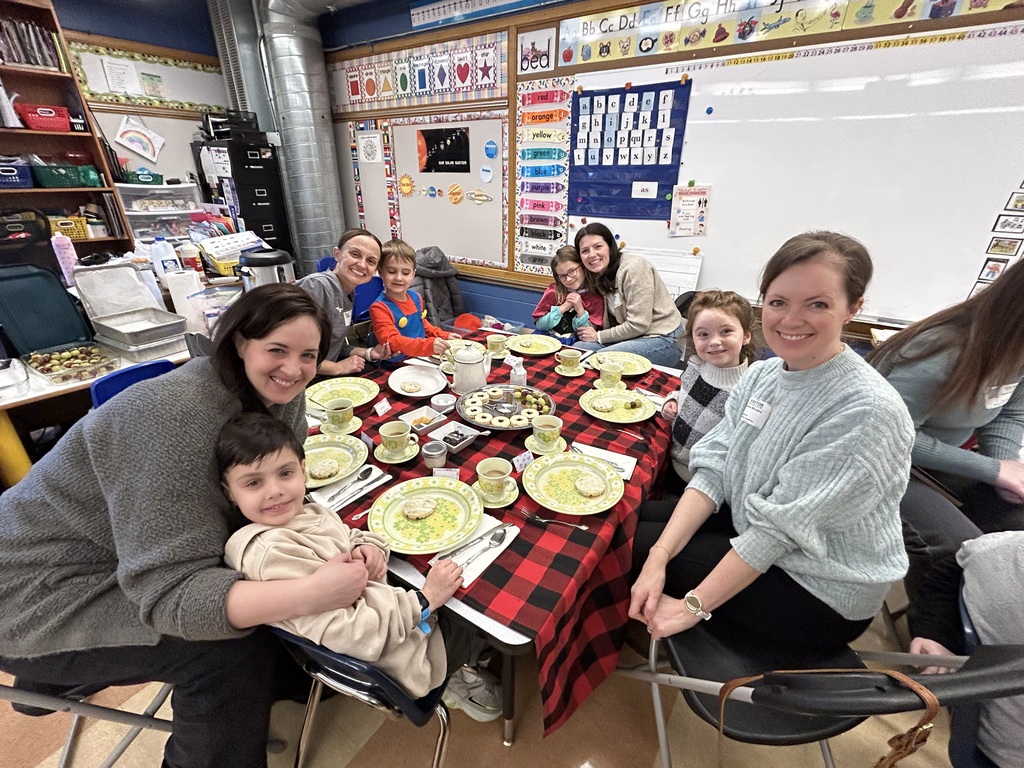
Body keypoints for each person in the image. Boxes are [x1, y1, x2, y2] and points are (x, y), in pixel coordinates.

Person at [0, 284, 360, 768]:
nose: (293, 369)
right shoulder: (169, 418)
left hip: (121, 552)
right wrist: (310, 595)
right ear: (238, 343)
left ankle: (286, 679)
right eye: (276, 350)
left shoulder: (279, 396)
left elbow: (266, 516)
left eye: (308, 355)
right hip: (31, 594)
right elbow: (172, 595)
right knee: (229, 651)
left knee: (263, 574)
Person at [630, 231, 915, 650]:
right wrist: (659, 557)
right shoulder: (764, 375)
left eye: (817, 304)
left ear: (853, 309)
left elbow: (777, 532)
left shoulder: (865, 410)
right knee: (627, 525)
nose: (790, 320)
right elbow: (715, 466)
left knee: (624, 547)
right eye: (779, 302)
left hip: (818, 586)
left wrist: (692, 606)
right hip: (758, 523)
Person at [219, 412, 501, 714]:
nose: (274, 490)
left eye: (285, 474)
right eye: (253, 482)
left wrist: (368, 546)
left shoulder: (304, 512)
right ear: (229, 493)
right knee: (486, 602)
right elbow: (357, 636)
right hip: (402, 661)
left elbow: (346, 535)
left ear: (303, 470)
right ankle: (457, 675)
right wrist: (426, 599)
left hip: (394, 616)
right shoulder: (272, 556)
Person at [868, 256, 1024, 645]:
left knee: (1013, 528)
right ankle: (932, 631)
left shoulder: (1016, 348)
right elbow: (891, 437)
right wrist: (991, 471)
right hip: (874, 460)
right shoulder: (942, 348)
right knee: (958, 546)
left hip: (927, 460)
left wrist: (1004, 468)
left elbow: (1006, 414)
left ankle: (976, 625)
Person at [909, 531, 1024, 768]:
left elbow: (955, 565)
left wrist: (936, 633)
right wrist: (936, 632)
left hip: (978, 731)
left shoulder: (1003, 551)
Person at [658, 290, 756, 497]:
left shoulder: (747, 391)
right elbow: (682, 393)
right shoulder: (695, 364)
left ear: (746, 335)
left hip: (699, 483)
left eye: (726, 331)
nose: (714, 341)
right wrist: (672, 401)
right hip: (669, 459)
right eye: (703, 334)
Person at [571, 222, 684, 367]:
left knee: (598, 361)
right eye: (585, 251)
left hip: (664, 338)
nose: (592, 255)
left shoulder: (634, 269)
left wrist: (598, 336)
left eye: (598, 246)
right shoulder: (599, 274)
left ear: (610, 247)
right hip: (635, 337)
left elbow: (638, 324)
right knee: (580, 350)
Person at [296, 228, 391, 375]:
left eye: (371, 261)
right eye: (355, 254)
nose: (362, 264)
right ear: (337, 254)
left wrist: (370, 353)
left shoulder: (347, 292)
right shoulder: (317, 287)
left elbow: (331, 348)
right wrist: (338, 368)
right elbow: (294, 355)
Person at [368, 238, 460, 361]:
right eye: (391, 271)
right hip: (396, 364)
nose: (399, 278)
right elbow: (392, 341)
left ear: (413, 274)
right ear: (381, 272)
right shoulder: (379, 308)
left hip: (421, 357)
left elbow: (422, 324)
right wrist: (428, 346)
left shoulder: (416, 297)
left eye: (405, 273)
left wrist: (443, 335)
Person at [531, 245, 605, 345]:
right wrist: (563, 308)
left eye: (572, 271)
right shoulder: (554, 291)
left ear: (583, 266)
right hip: (546, 339)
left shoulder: (595, 297)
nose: (568, 279)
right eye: (562, 276)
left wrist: (579, 309)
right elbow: (540, 326)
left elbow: (589, 333)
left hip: (575, 342)